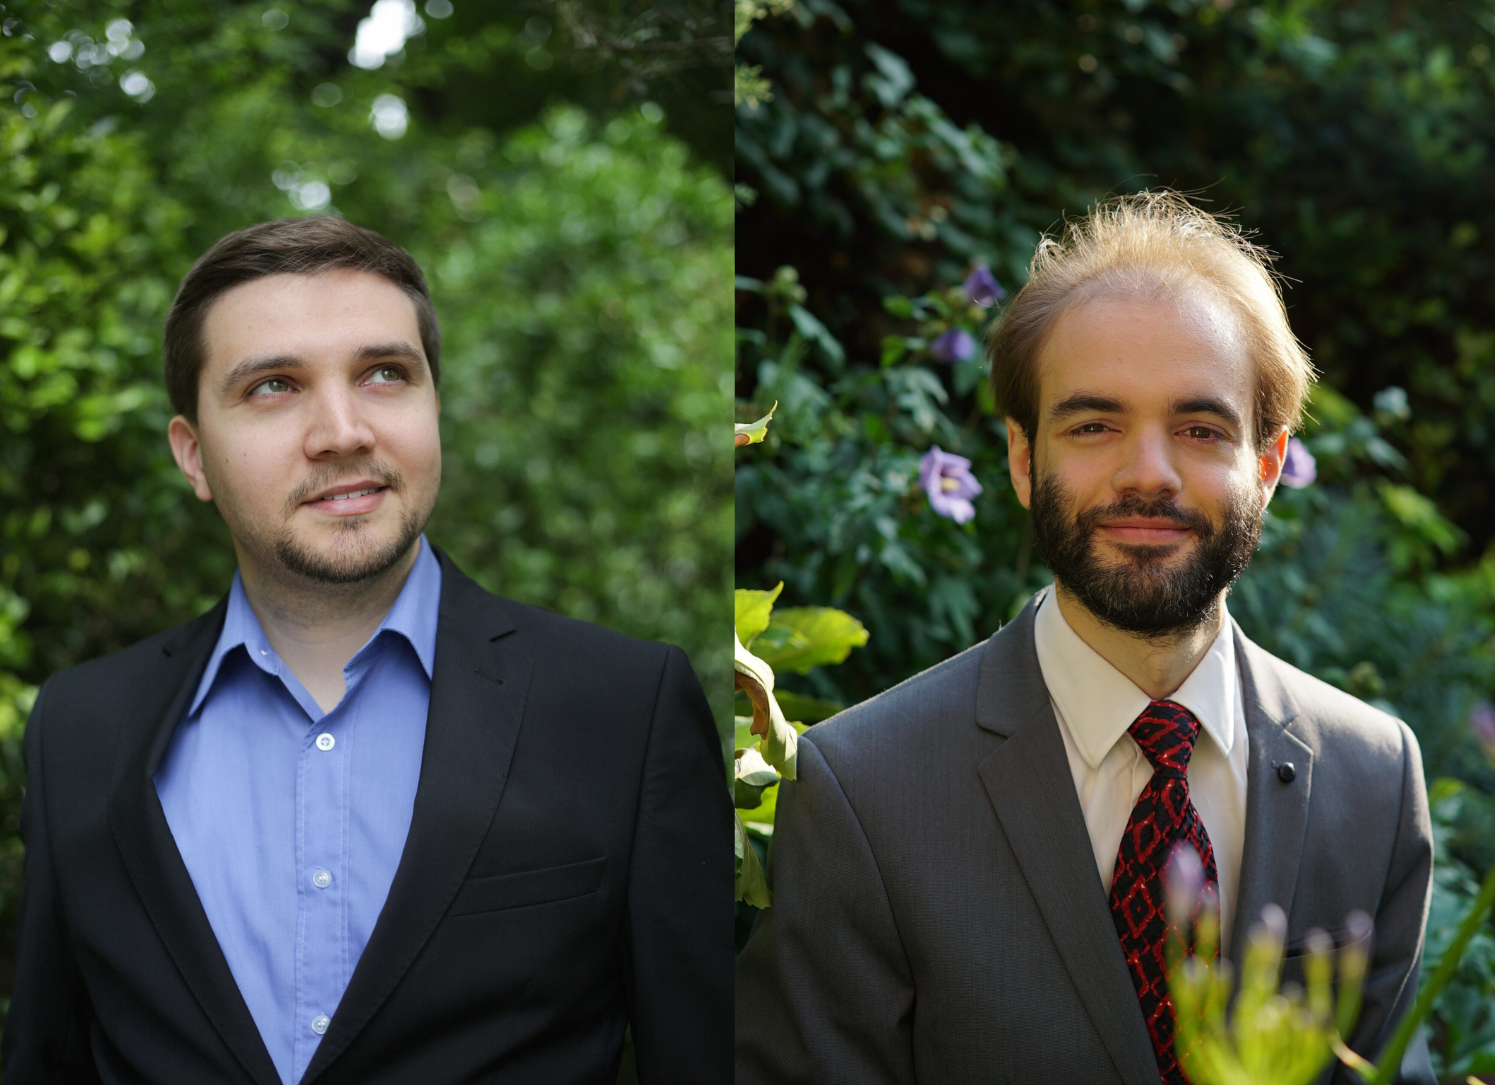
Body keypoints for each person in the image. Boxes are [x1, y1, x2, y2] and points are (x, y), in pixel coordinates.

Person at [5, 217, 732, 1085]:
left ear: (434, 405)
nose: (343, 430)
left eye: (385, 373)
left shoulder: (624, 708)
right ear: (193, 455)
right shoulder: (79, 728)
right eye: (274, 386)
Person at [735, 192, 1434, 1085]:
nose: (1147, 473)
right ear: (1024, 461)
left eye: (1198, 428)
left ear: (1264, 464)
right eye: (1094, 424)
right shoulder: (861, 793)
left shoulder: (1374, 779)